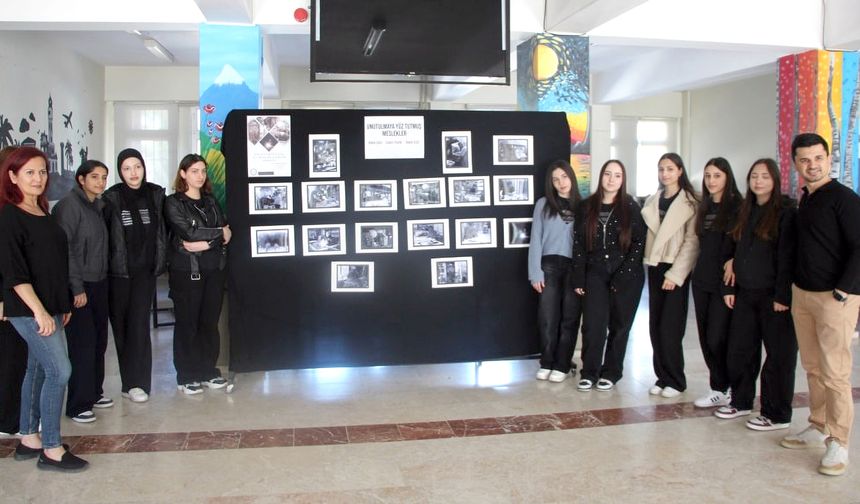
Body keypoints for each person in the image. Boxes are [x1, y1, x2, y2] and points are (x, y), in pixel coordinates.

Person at [0, 147, 88, 471]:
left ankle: (28, 437)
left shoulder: (41, 210)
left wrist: (61, 304)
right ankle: (51, 447)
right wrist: (39, 312)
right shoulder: (10, 215)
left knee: (37, 370)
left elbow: (51, 264)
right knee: (60, 371)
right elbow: (14, 273)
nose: (38, 179)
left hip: (51, 305)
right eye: (29, 173)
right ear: (12, 176)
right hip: (28, 309)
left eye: (41, 172)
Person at [781, 133, 860, 477]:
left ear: (828, 160)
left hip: (833, 298)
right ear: (796, 164)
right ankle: (818, 425)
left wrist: (843, 290)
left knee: (835, 373)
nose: (812, 165)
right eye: (804, 160)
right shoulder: (805, 200)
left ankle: (839, 442)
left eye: (818, 158)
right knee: (813, 368)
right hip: (803, 295)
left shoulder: (844, 199)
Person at [715, 159, 797, 432]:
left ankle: (777, 414)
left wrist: (782, 296)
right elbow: (730, 251)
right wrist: (729, 288)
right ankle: (741, 401)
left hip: (774, 297)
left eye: (764, 176)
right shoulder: (745, 210)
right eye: (754, 176)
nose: (758, 181)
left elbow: (787, 258)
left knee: (778, 358)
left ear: (775, 180)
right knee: (740, 351)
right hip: (745, 294)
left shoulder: (786, 211)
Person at [572, 160, 646, 391]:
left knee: (619, 326)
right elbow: (579, 244)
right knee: (593, 325)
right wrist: (579, 278)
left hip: (626, 275)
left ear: (622, 180)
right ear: (601, 176)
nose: (611, 179)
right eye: (607, 174)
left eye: (617, 175)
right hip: (595, 273)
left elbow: (638, 243)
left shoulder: (631, 207)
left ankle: (611, 372)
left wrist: (623, 275)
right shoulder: (586, 207)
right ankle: (589, 372)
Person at [102, 148, 167, 403]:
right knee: (121, 327)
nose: (133, 173)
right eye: (127, 168)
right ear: (120, 171)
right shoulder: (111, 198)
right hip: (119, 274)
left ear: (144, 167)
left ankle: (140, 383)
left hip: (145, 273)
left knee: (139, 327)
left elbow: (165, 229)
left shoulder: (155, 194)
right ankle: (128, 383)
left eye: (137, 166)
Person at [164, 154, 231, 395]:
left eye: (203, 171)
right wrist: (215, 237)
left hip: (214, 270)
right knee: (187, 323)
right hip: (187, 272)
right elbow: (188, 233)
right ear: (183, 174)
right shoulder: (173, 202)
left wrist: (207, 243)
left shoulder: (211, 201)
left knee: (209, 323)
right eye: (194, 171)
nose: (200, 175)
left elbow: (226, 230)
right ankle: (187, 375)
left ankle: (207, 370)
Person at [51, 160, 112, 423]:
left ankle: (94, 392)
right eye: (95, 177)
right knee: (82, 345)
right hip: (79, 286)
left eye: (104, 177)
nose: (100, 182)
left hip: (98, 282)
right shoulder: (69, 206)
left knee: (99, 341)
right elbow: (66, 252)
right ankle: (77, 404)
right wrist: (76, 287)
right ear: (81, 179)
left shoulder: (97, 205)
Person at [641, 153, 700, 398]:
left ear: (679, 171)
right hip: (654, 266)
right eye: (661, 169)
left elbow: (692, 242)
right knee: (655, 326)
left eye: (670, 169)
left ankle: (676, 379)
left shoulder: (690, 202)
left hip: (675, 269)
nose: (665, 174)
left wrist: (676, 274)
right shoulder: (653, 200)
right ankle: (662, 376)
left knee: (670, 327)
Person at [691, 157, 743, 408]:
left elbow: (741, 245)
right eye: (708, 176)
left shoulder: (737, 207)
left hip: (723, 283)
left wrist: (734, 263)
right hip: (701, 280)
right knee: (705, 337)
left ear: (727, 177)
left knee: (718, 337)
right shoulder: (705, 206)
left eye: (717, 176)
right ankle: (718, 388)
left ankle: (733, 387)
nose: (711, 181)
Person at [528, 159, 582, 383]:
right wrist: (535, 273)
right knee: (547, 317)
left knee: (570, 319)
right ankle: (547, 362)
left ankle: (562, 364)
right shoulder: (543, 204)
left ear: (572, 177)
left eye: (564, 177)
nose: (561, 183)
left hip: (574, 267)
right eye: (555, 179)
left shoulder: (584, 205)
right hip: (548, 265)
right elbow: (536, 239)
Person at [0, 146, 28, 438]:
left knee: (22, 358)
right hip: (8, 297)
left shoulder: (28, 206)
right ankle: (7, 421)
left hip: (25, 296)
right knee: (10, 358)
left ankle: (19, 416)